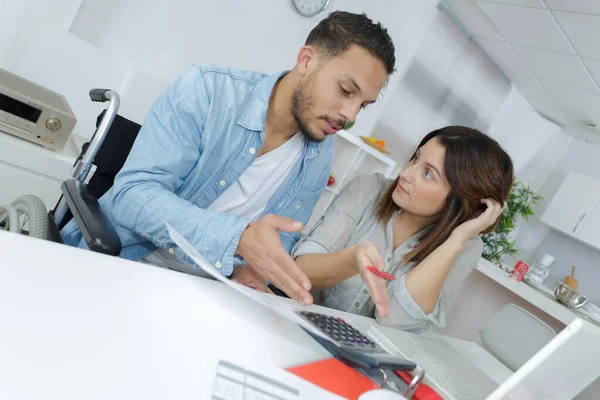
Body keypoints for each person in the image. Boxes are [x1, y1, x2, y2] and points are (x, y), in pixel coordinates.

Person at [61, 11, 396, 306]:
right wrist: (238, 237)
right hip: (125, 266)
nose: (350, 115)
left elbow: (283, 234)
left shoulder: (320, 151)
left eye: (363, 104)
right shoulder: (206, 90)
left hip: (208, 295)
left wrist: (251, 271)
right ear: (306, 60)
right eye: (346, 91)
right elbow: (131, 197)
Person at [277, 126, 512, 333]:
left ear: (463, 200)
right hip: (296, 325)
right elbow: (299, 273)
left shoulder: (465, 247)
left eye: (428, 173)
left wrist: (455, 241)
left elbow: (396, 323)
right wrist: (352, 260)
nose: (405, 173)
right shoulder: (368, 189)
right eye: (415, 159)